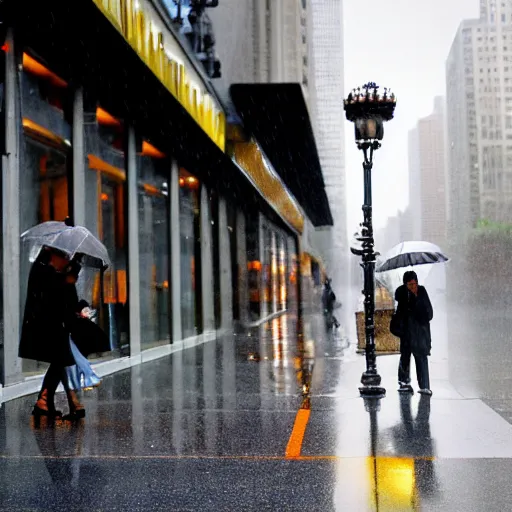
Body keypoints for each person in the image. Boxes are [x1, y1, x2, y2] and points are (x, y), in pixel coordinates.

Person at [19, 247, 78, 418]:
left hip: (56, 325)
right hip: (44, 324)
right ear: (55, 255)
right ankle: (53, 401)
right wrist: (65, 280)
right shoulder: (42, 269)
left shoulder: (52, 271)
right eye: (64, 256)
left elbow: (68, 300)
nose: (67, 259)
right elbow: (49, 297)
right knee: (61, 359)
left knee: (61, 361)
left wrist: (69, 279)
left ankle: (45, 401)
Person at [394, 270, 433, 395]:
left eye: (415, 284)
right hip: (407, 334)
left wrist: (417, 300)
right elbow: (401, 315)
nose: (413, 287)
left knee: (421, 358)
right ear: (405, 284)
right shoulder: (401, 295)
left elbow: (429, 314)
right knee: (405, 357)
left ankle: (424, 386)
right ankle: (404, 382)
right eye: (410, 285)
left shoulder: (422, 292)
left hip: (420, 334)